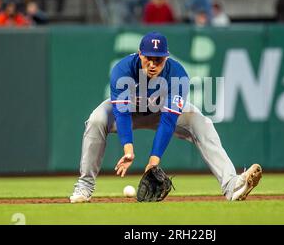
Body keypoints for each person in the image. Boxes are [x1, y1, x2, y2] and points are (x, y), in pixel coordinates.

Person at [69, 31, 262, 203]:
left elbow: (168, 121)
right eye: (148, 59)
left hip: (162, 112)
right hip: (129, 112)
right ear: (139, 54)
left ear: (166, 58)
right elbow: (122, 113)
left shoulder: (178, 75)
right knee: (96, 120)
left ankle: (232, 185)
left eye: (158, 60)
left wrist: (154, 161)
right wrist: (128, 149)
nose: (152, 65)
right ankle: (85, 186)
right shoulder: (122, 70)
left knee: (202, 123)